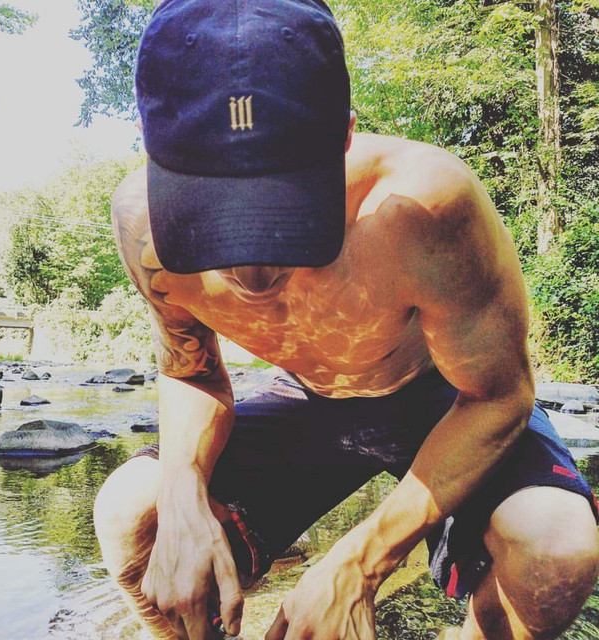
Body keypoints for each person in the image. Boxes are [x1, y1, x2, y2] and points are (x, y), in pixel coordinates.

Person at [94, 0, 599, 638]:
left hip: (445, 401)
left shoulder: (424, 205)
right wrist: (181, 493)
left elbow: (501, 397)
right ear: (156, 158)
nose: (252, 277)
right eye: (213, 221)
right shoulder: (141, 226)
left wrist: (358, 564)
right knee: (130, 514)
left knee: (555, 550)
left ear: (344, 138)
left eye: (284, 215)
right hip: (306, 397)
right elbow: (190, 371)